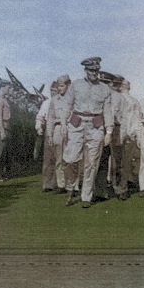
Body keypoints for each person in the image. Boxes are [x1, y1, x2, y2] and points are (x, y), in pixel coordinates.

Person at [61, 57, 113, 208]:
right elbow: (67, 105)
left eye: (96, 70)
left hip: (95, 126)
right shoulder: (76, 85)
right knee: (71, 159)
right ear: (85, 70)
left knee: (91, 163)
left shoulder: (104, 89)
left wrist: (109, 131)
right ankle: (70, 188)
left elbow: (108, 111)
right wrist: (64, 123)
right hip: (76, 125)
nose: (94, 73)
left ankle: (86, 197)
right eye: (91, 70)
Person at [47, 76, 71, 193]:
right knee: (59, 158)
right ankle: (61, 184)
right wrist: (50, 135)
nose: (60, 88)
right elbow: (50, 119)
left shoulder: (73, 99)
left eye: (62, 86)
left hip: (71, 129)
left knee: (71, 158)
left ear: (68, 86)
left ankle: (72, 184)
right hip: (57, 129)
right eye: (59, 86)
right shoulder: (54, 100)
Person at [36, 81, 58, 192]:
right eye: (51, 90)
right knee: (48, 159)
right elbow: (40, 117)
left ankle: (57, 183)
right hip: (48, 133)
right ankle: (47, 184)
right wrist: (39, 127)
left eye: (55, 91)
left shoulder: (63, 102)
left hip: (59, 132)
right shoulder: (46, 103)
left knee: (59, 158)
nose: (53, 93)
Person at [119, 79, 140, 188]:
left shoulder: (133, 101)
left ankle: (123, 184)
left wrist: (134, 134)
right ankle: (122, 183)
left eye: (124, 85)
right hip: (123, 133)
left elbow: (136, 120)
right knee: (124, 161)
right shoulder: (118, 98)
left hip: (127, 134)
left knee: (125, 161)